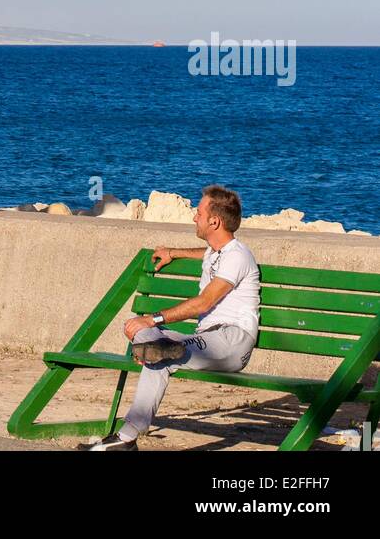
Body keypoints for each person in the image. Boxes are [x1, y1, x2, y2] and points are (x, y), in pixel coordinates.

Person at [85, 184, 260, 452]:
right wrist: (173, 253)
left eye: (198, 213)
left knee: (159, 348)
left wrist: (154, 320)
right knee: (150, 345)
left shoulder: (238, 256)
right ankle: (127, 436)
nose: (194, 217)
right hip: (206, 339)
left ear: (214, 221)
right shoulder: (217, 252)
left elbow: (205, 302)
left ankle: (127, 437)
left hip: (232, 341)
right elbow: (206, 254)